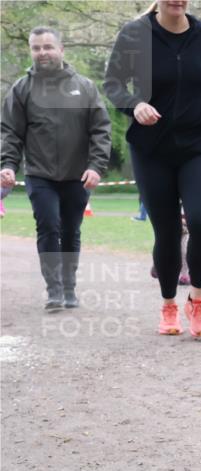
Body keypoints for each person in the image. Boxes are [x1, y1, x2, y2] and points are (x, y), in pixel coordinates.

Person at [104, 0, 201, 337]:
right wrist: (136, 105)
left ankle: (197, 301)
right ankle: (169, 305)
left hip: (198, 145)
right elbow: (113, 86)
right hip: (151, 149)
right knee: (169, 232)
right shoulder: (134, 35)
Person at [1, 26, 112, 310]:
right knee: (49, 226)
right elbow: (11, 132)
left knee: (71, 230)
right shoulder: (21, 89)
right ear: (31, 51)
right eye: (36, 48)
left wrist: (96, 166)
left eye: (48, 47)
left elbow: (100, 130)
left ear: (61, 50)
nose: (42, 53)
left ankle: (69, 286)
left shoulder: (85, 87)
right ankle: (54, 290)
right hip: (40, 174)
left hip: (78, 176)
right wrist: (9, 165)